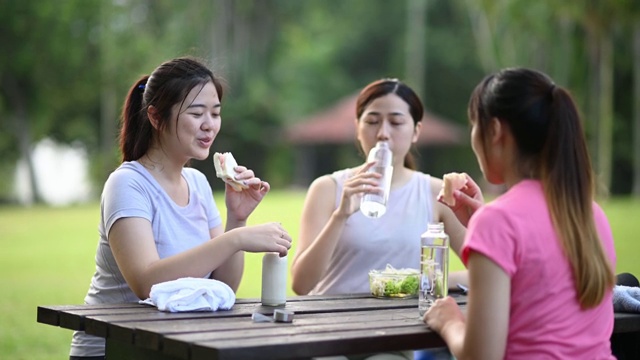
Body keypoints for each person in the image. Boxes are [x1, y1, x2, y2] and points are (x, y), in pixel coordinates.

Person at [69, 57, 292, 359]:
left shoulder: (198, 183)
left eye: (215, 113)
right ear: (156, 117)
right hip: (113, 348)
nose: (209, 124)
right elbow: (147, 283)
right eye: (197, 113)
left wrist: (237, 219)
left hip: (174, 345)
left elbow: (223, 285)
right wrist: (236, 239)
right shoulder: (127, 184)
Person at [424, 67, 617, 359]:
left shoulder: (497, 222)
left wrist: (448, 320)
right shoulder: (590, 213)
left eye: (474, 126)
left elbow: (480, 357)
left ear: (496, 131)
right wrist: (481, 224)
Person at [290, 78, 468, 360]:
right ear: (357, 128)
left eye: (396, 122)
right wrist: (341, 214)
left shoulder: (435, 193)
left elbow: (483, 271)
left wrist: (427, 279)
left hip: (393, 339)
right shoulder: (328, 188)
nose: (383, 133)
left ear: (416, 131)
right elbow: (301, 284)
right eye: (372, 121)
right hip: (325, 333)